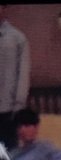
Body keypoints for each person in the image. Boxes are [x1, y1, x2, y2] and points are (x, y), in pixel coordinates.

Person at [0, 5, 30, 149]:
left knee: (8, 153)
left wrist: (19, 107)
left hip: (7, 110)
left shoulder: (17, 38)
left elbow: (23, 73)